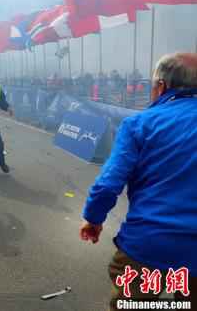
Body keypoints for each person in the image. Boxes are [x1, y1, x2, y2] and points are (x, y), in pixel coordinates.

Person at [80, 53, 197, 310]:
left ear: (161, 86)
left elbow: (108, 185)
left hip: (147, 246)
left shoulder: (138, 124)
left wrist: (93, 219)